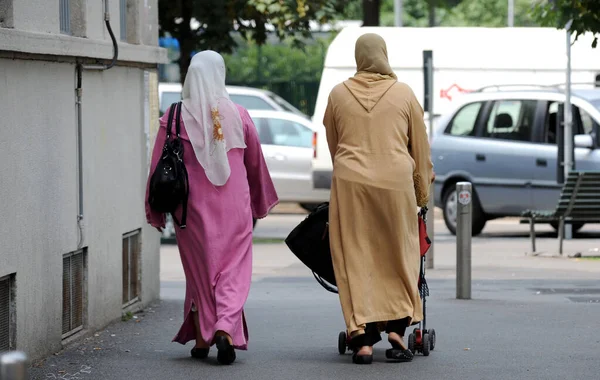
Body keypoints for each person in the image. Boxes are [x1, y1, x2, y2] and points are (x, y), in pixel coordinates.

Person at [145, 51, 279, 365]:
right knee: (232, 271)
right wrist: (260, 203)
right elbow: (255, 165)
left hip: (190, 210)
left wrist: (155, 211)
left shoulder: (175, 116)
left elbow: (157, 168)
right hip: (234, 209)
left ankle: (207, 335)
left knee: (201, 272)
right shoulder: (239, 114)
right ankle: (222, 329)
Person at [323, 33, 434, 365]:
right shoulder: (404, 94)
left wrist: (349, 170)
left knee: (355, 255)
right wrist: (422, 192)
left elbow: (333, 142)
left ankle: (363, 339)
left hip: (351, 183)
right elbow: (420, 147)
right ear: (384, 55)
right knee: (398, 251)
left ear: (359, 57)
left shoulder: (338, 94)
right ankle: (399, 330)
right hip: (395, 184)